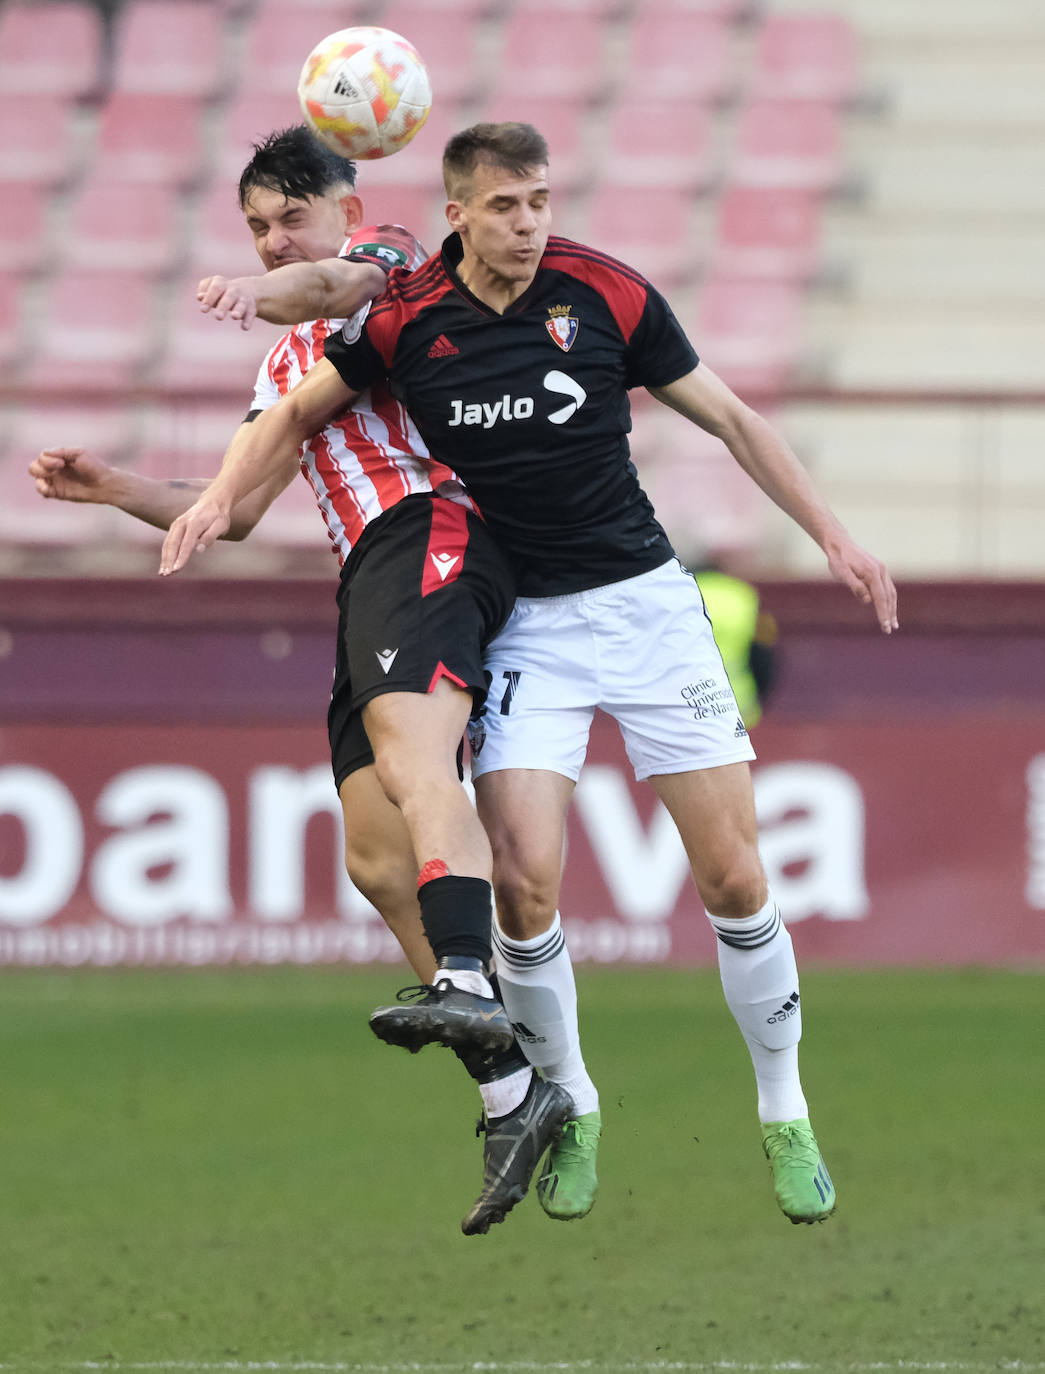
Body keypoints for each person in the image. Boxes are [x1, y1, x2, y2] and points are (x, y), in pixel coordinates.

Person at [159, 121, 898, 1228]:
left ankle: (783, 1110)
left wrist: (834, 536)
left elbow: (734, 418)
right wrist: (217, 493)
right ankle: (576, 1103)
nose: (529, 224)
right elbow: (305, 392)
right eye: (505, 207)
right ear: (459, 213)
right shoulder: (411, 321)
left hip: (644, 602)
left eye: (540, 201)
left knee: (735, 879)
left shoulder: (606, 294)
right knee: (524, 882)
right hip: (530, 627)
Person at [30, 126, 595, 1236]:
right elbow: (234, 510)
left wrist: (262, 283)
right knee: (376, 855)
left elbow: (330, 282)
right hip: (366, 573)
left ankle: (473, 987)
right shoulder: (286, 367)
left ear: (348, 206)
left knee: (412, 754)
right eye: (254, 225)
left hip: (432, 527)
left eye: (289, 215)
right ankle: (516, 1092)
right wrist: (115, 489)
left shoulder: (388, 268)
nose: (273, 237)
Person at [694, 561, 778, 729]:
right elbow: (764, 650)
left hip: (691, 701)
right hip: (739, 701)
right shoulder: (743, 594)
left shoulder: (683, 593)